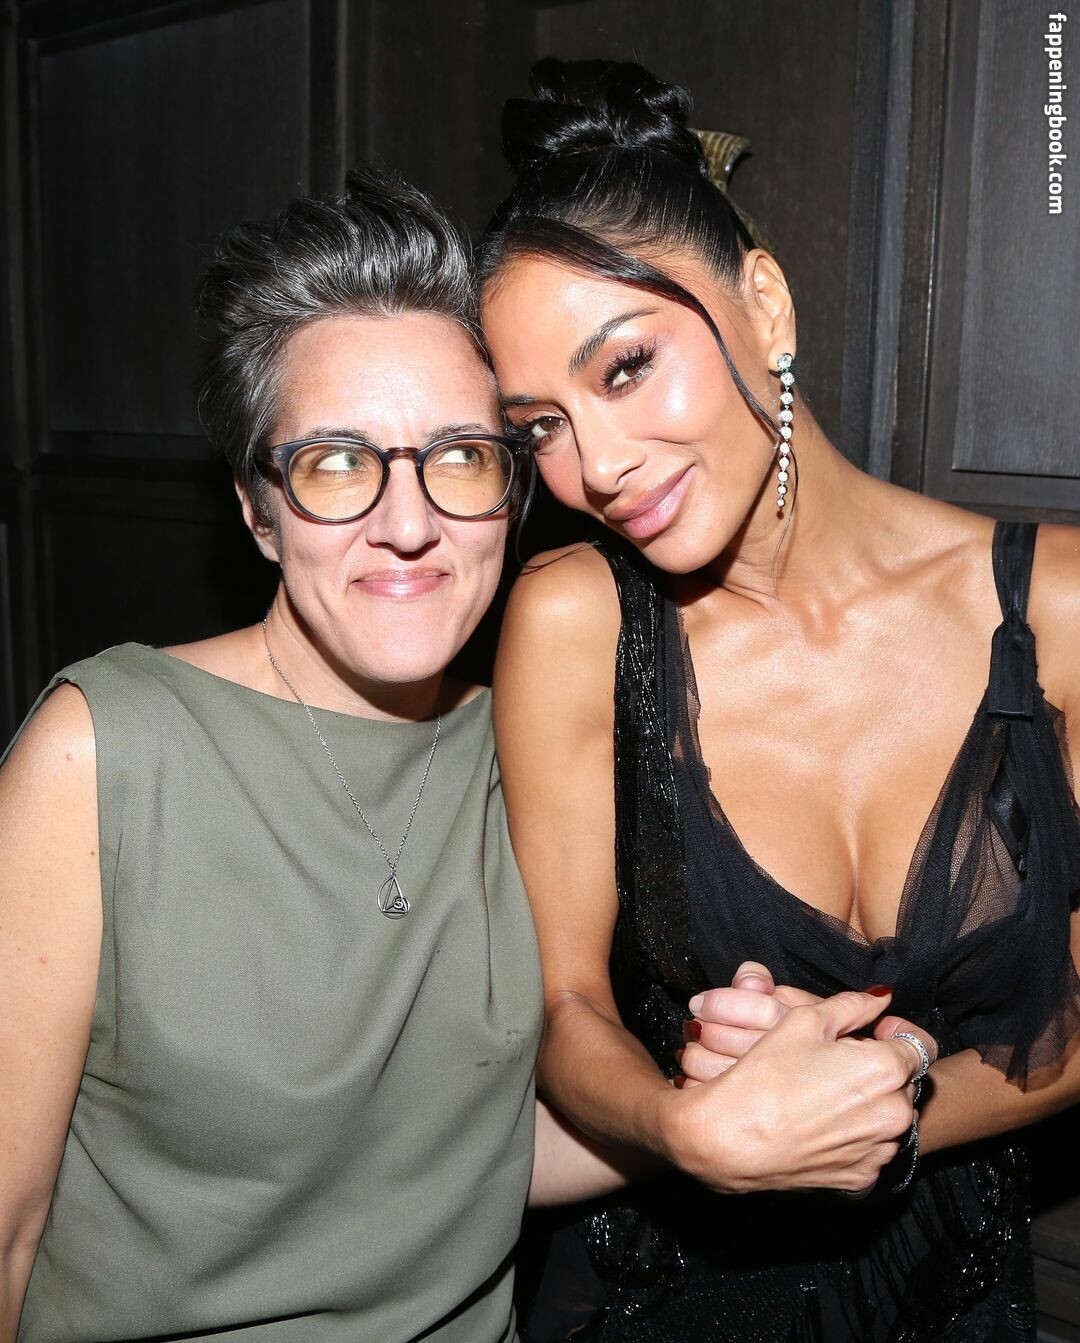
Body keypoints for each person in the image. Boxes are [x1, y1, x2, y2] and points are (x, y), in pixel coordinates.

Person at [0, 163, 931, 1343]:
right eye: (337, 462)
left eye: (461, 457)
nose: (408, 522)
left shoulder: (533, 750)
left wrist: (739, 1101)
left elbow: (467, 1158)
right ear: (256, 507)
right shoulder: (106, 750)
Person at [480, 59, 1080, 1342]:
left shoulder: (1060, 611)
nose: (597, 464)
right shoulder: (574, 623)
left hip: (959, 1294)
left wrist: (888, 1085)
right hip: (677, 1296)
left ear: (764, 302)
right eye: (540, 428)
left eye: (625, 367)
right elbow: (562, 1008)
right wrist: (689, 1126)